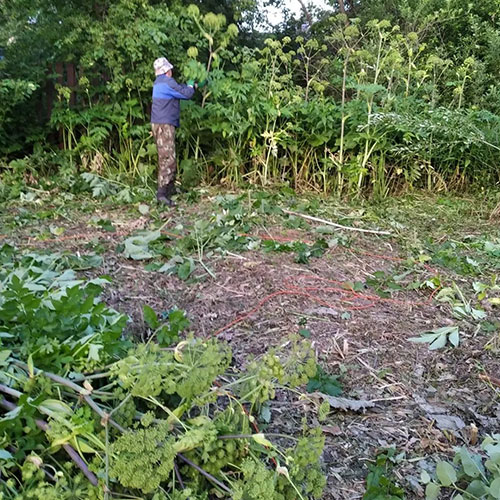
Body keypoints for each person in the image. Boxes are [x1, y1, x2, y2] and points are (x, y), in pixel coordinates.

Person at [151, 57, 196, 206]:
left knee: (168, 155)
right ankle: (162, 193)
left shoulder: (159, 82)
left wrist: (190, 86)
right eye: (170, 69)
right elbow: (186, 94)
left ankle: (170, 187)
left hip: (159, 123)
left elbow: (177, 90)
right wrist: (190, 86)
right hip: (164, 125)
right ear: (167, 70)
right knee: (167, 158)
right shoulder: (167, 82)